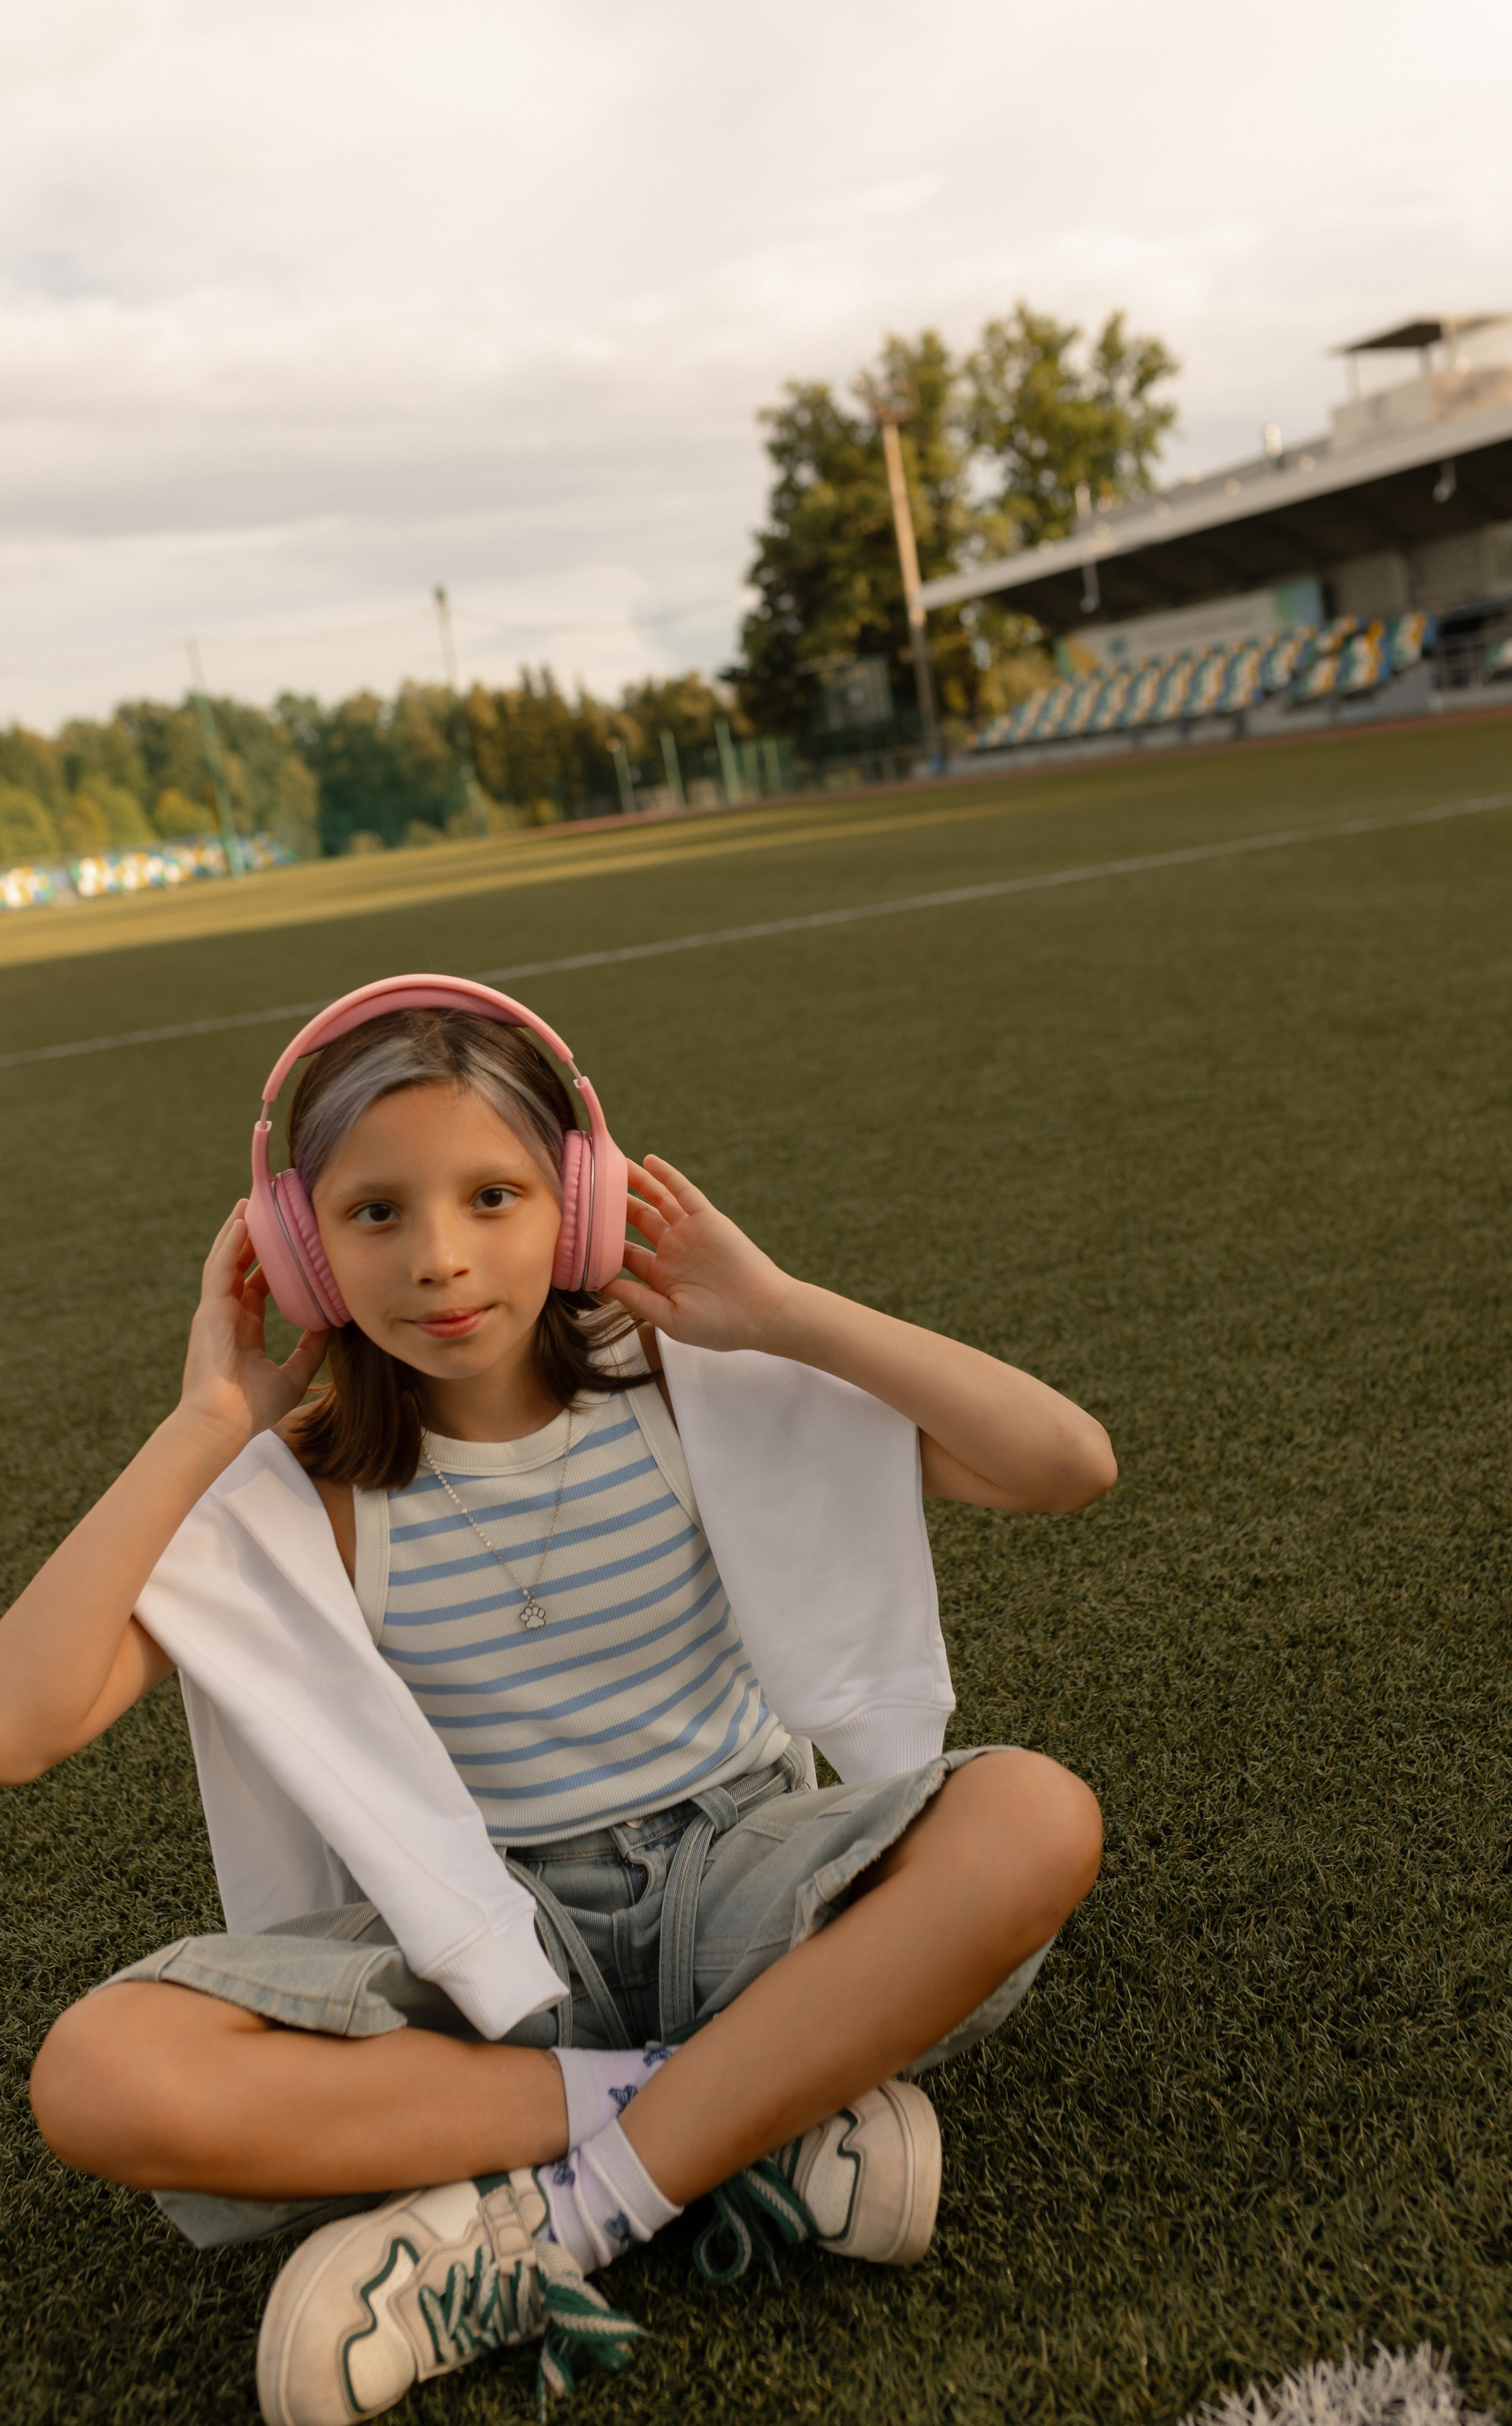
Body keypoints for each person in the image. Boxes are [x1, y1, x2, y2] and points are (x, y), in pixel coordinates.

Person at [6, 981, 1114, 2426]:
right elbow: (21, 1726)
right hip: (485, 1949)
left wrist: (782, 1312)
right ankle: (756, 2114)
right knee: (100, 2075)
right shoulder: (302, 1488)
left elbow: (1064, 1462)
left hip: (740, 1880)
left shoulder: (687, 1389)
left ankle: (566, 2223)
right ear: (300, 1252)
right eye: (375, 1214)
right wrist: (203, 1421)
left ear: (577, 1203)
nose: (443, 1260)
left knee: (1032, 1815)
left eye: (493, 1195)